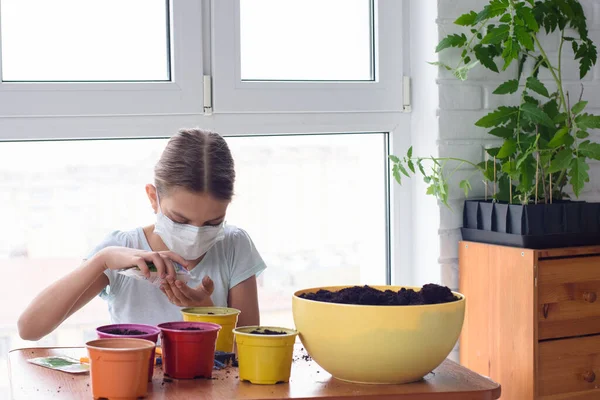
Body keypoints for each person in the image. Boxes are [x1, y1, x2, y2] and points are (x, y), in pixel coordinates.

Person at [18, 129, 266, 341]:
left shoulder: (234, 245)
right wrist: (101, 260)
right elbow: (30, 329)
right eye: (180, 220)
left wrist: (207, 312)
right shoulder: (122, 250)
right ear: (153, 197)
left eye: (213, 222)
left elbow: (247, 349)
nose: (195, 235)